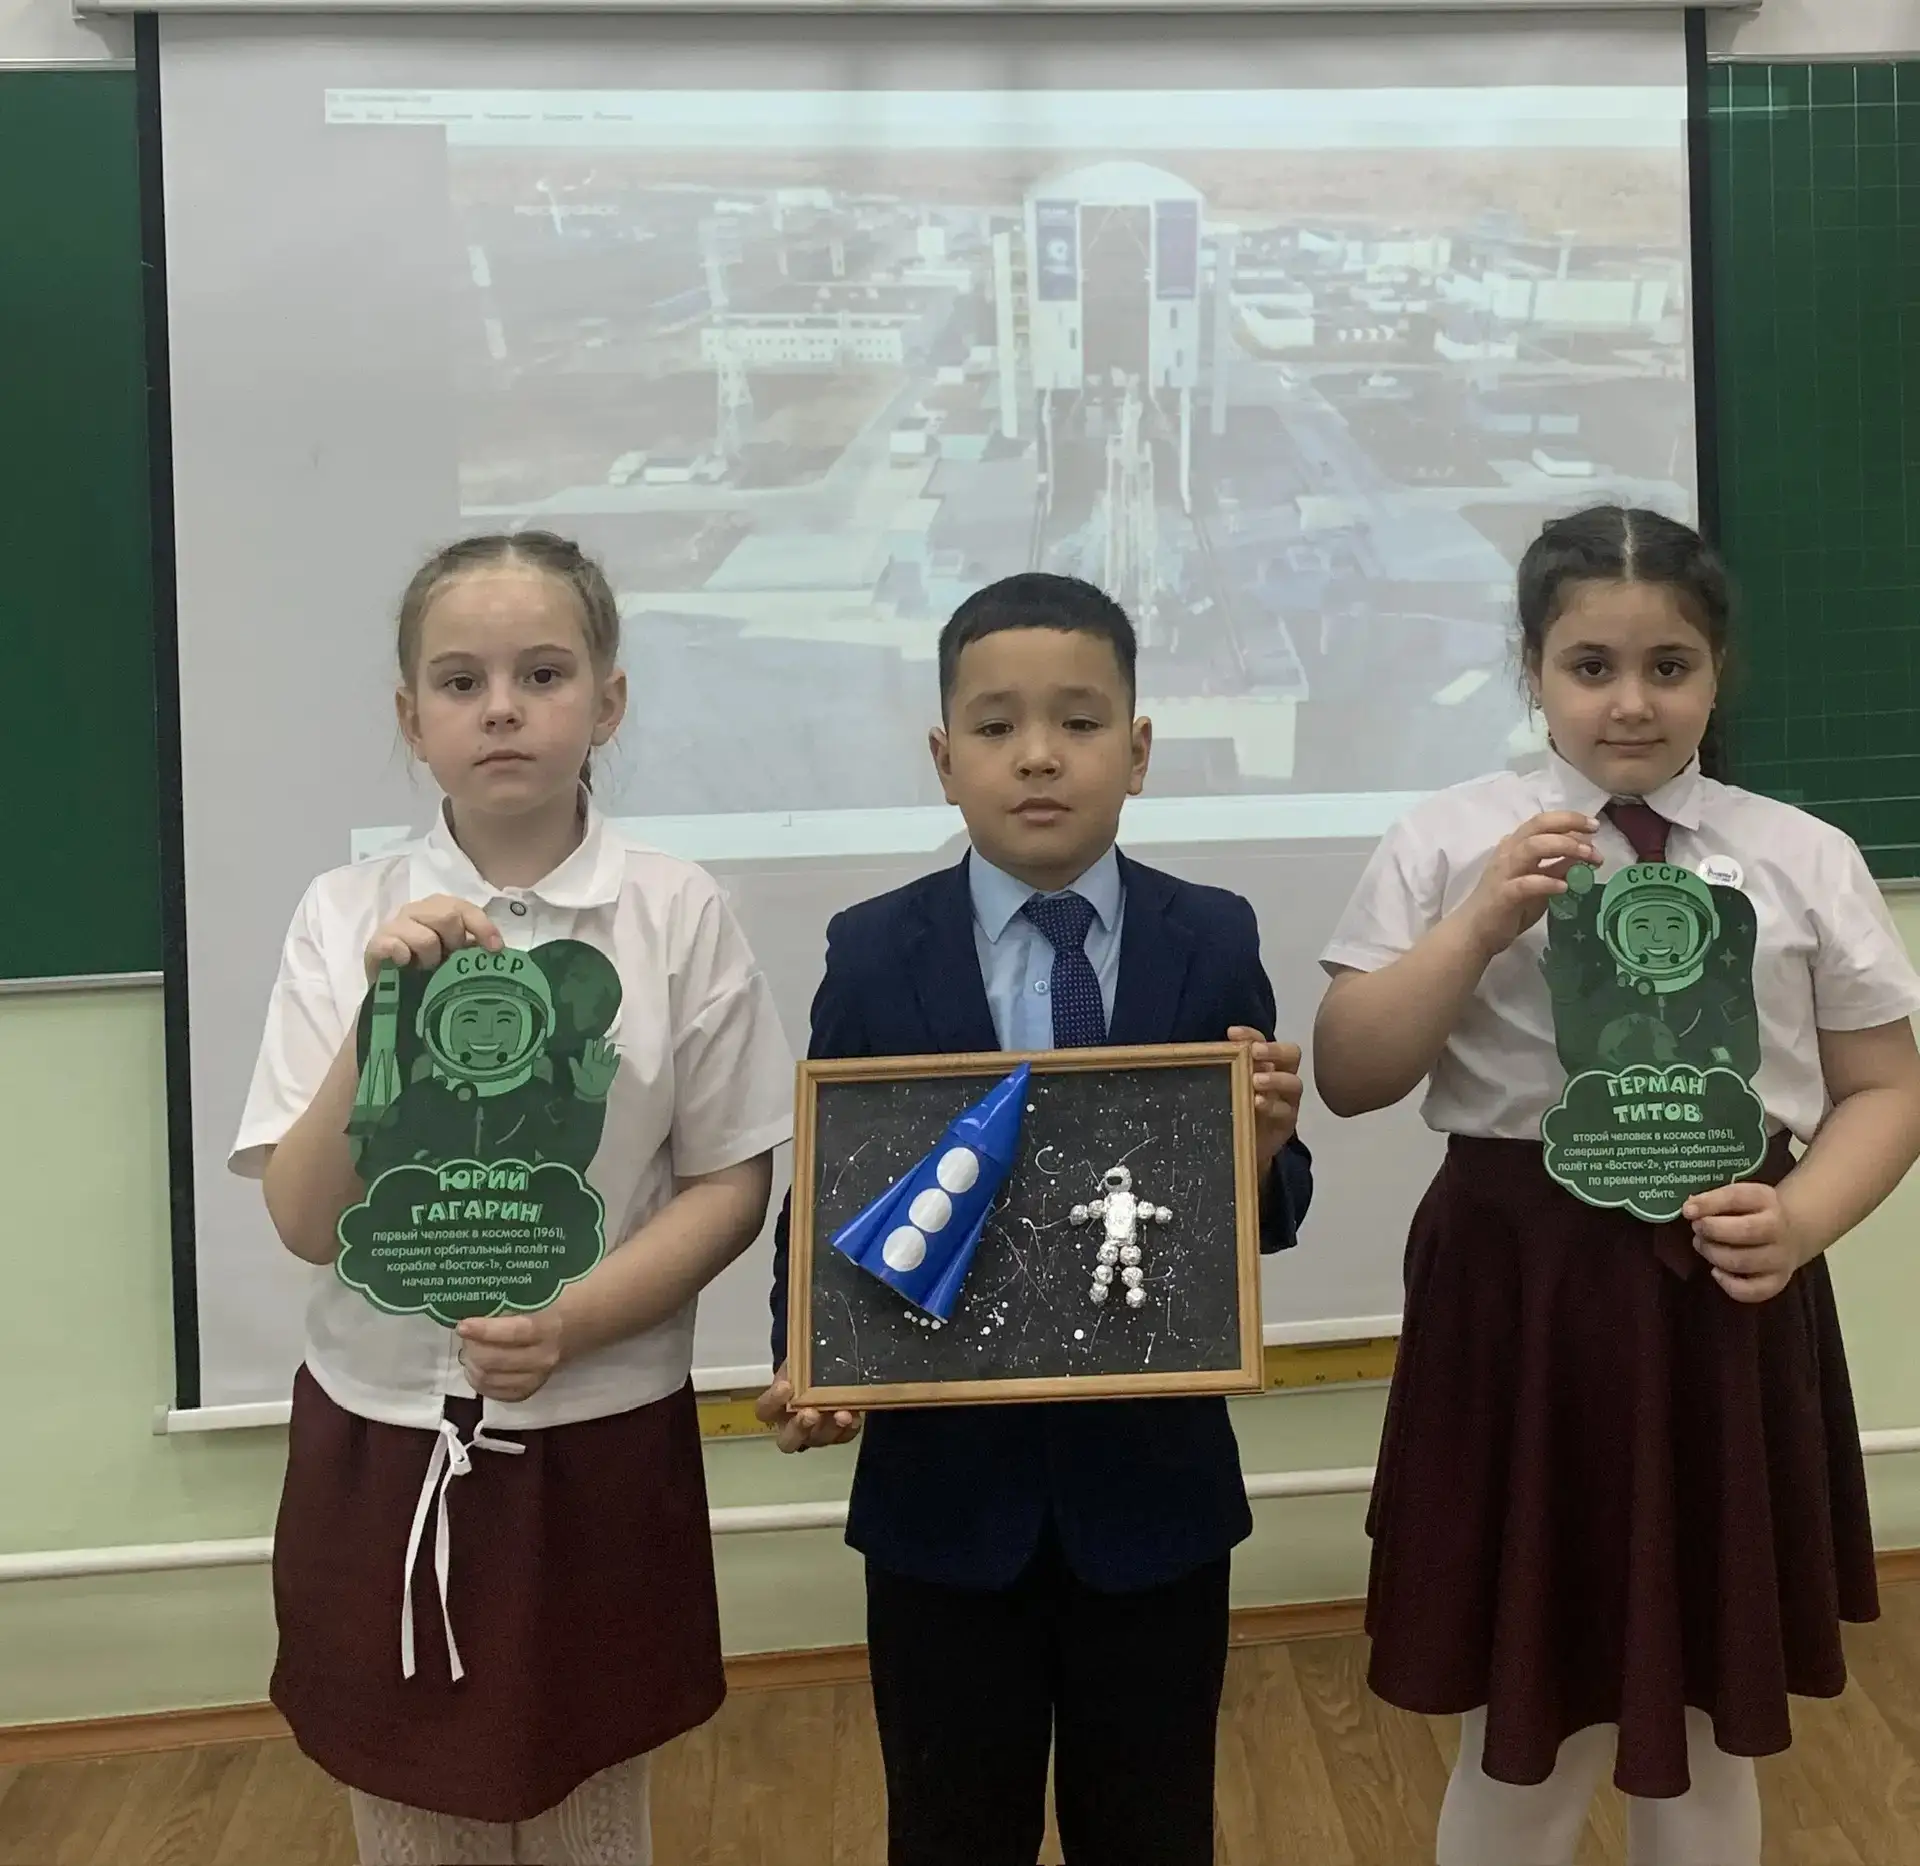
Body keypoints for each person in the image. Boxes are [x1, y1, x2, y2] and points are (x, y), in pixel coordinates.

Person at [1314, 506, 1920, 1866]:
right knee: (1523, 1711)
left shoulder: (1801, 853)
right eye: (1591, 666)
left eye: (1669, 666)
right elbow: (1352, 1071)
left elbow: (1889, 1086)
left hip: (1725, 1285)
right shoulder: (1445, 839)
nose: (1631, 702)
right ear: (1531, 667)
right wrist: (1481, 921)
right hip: (1521, 1299)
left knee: (1710, 1713)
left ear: (1718, 673)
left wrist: (1804, 1219)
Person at [230, 531, 793, 1865]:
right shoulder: (341, 915)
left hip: (596, 1428)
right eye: (460, 680)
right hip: (382, 1429)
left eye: (543, 674)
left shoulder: (676, 912)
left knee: (592, 1796)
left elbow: (730, 1179)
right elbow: (304, 1219)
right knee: (407, 1799)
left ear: (608, 699)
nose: (501, 708)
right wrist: (385, 1018)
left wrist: (572, 1321)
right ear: (409, 717)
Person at [755, 572, 1314, 1866]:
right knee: (951, 1827)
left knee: (1154, 1825)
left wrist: (1261, 1155)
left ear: (1140, 751)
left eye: (1079, 720)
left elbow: (1264, 1217)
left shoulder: (1209, 935)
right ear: (944, 758)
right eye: (998, 725)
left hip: (1156, 1493)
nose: (1040, 754)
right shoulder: (875, 949)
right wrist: (807, 1353)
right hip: (943, 1502)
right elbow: (834, 1187)